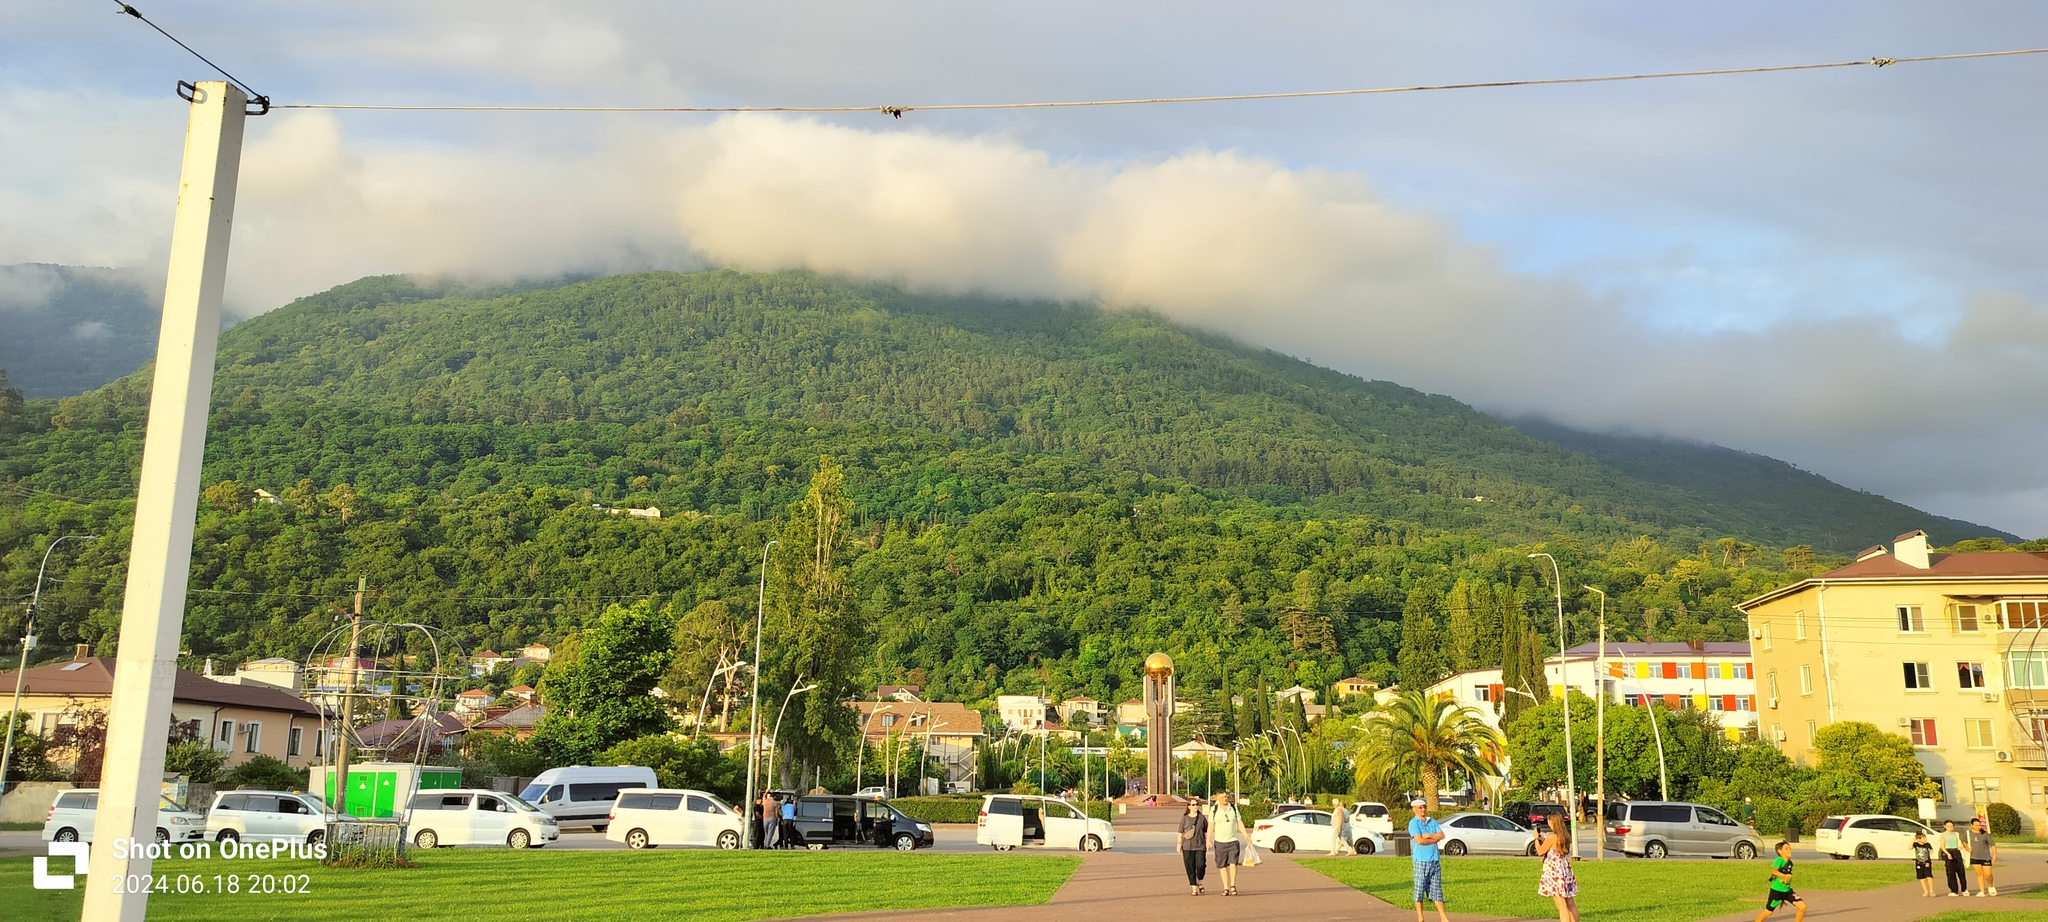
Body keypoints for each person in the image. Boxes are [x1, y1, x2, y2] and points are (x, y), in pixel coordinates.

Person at [1408, 799, 1449, 922]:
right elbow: (1419, 840)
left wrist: (1429, 835)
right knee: (1420, 889)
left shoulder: (1432, 821)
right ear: (1414, 809)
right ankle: (1421, 917)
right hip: (1421, 861)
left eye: (1424, 807)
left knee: (1437, 889)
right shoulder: (1413, 823)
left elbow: (1441, 835)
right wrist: (1433, 839)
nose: (1423, 810)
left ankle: (1443, 917)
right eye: (1420, 807)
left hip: (1434, 860)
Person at [1535, 813, 1579, 922]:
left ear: (1552, 822)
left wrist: (1536, 839)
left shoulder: (1552, 836)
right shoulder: (1565, 835)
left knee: (1561, 904)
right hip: (1565, 869)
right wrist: (1543, 838)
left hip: (1554, 870)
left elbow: (1540, 851)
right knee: (1570, 903)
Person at [1207, 792, 1250, 897]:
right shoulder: (1214, 810)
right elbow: (1211, 826)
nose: (1225, 799)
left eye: (1226, 797)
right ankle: (1225, 887)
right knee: (1222, 866)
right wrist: (1208, 839)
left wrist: (1246, 835)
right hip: (1220, 842)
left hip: (1233, 841)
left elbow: (1239, 822)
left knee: (1233, 864)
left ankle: (1232, 885)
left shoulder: (1233, 808)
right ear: (1217, 798)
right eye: (1222, 797)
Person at [1752, 841, 1805, 922]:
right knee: (1768, 912)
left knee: (1802, 907)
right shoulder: (1779, 860)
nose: (1790, 850)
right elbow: (1774, 871)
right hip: (1777, 892)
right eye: (1786, 849)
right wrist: (1784, 876)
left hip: (1787, 891)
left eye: (1790, 848)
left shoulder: (1790, 863)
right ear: (1780, 851)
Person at [1179, 801, 1209, 895]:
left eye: (1196, 804)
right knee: (1190, 866)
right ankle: (1193, 887)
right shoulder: (1185, 818)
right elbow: (1180, 831)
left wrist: (1208, 842)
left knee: (1200, 865)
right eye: (1193, 805)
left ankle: (1199, 880)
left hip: (1200, 845)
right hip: (1187, 846)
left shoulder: (1202, 818)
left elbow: (1206, 831)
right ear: (1189, 806)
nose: (1195, 806)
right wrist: (1179, 844)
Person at [1968, 816, 1997, 896]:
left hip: (1985, 857)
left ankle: (1990, 885)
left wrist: (1994, 855)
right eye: (1976, 825)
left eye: (1979, 825)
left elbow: (1992, 844)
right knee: (1979, 873)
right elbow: (1963, 842)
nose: (1978, 827)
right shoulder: (1968, 833)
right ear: (1972, 825)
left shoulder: (1985, 834)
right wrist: (1967, 848)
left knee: (1988, 874)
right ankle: (1982, 891)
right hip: (1974, 856)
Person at [1941, 820, 1968, 896]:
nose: (1950, 828)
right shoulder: (1943, 835)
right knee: (1950, 872)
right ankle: (1954, 890)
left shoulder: (1956, 834)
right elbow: (1942, 846)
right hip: (1948, 851)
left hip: (1956, 851)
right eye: (1948, 826)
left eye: (1951, 826)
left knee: (1961, 871)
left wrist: (1961, 846)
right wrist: (1947, 853)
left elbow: (1960, 843)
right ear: (1945, 826)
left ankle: (1964, 889)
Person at [1913, 830, 1936, 897]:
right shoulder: (1915, 844)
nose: (1925, 839)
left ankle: (1931, 891)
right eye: (1923, 838)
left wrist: (1931, 852)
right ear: (1918, 839)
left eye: (1925, 838)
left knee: (1929, 876)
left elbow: (1931, 849)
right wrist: (1913, 839)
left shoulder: (1927, 844)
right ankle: (1925, 891)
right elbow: (1909, 847)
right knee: (1922, 878)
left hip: (1927, 862)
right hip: (1919, 863)